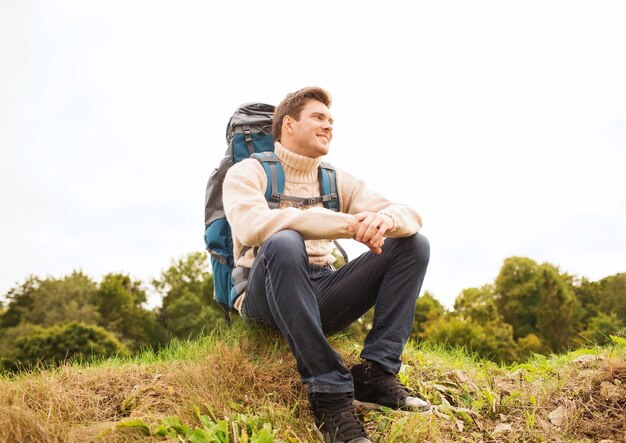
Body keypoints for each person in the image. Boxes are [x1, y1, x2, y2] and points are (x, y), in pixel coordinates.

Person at [222, 87, 430, 443]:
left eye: (331, 121)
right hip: (265, 297)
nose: (328, 126)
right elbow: (253, 226)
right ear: (288, 124)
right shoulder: (247, 173)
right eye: (318, 118)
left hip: (321, 290)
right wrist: (350, 225)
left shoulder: (335, 180)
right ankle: (329, 396)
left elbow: (408, 214)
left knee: (413, 244)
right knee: (285, 240)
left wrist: (383, 223)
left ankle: (375, 373)